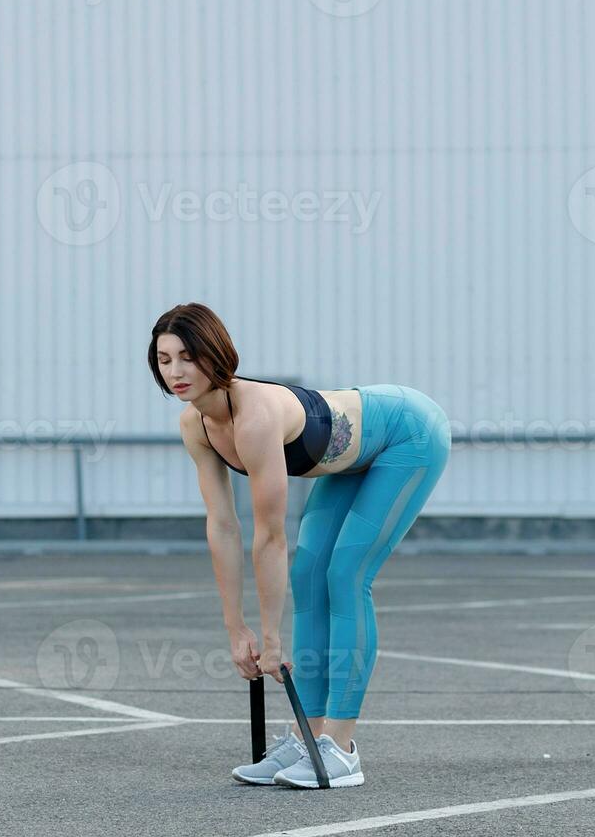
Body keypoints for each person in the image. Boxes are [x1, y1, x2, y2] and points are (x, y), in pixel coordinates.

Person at [150, 303, 452, 789]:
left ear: (217, 354)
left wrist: (272, 641)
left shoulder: (256, 418)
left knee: (346, 574)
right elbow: (223, 526)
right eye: (165, 360)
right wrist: (237, 630)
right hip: (349, 458)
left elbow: (270, 534)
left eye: (189, 356)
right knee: (309, 575)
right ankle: (306, 736)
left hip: (407, 433)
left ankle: (342, 748)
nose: (177, 371)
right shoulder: (196, 426)